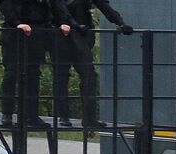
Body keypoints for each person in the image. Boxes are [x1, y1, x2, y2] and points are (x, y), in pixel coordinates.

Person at [51, 0, 132, 131]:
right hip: (61, 34)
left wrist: (120, 22)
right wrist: (71, 23)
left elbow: (103, 6)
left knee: (89, 75)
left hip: (80, 35)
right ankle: (63, 116)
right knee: (61, 76)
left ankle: (89, 118)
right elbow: (58, 6)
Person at [0, 0, 71, 129]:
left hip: (37, 34)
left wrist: (63, 22)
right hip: (14, 34)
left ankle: (31, 115)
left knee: (33, 76)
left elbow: (56, 5)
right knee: (11, 74)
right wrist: (17, 23)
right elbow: (6, 4)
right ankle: (7, 114)